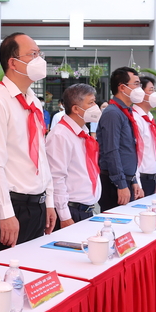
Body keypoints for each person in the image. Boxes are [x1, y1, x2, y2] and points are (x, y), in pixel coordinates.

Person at [0, 33, 57, 255]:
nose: (39, 60)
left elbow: (40, 156)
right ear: (13, 63)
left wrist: (49, 201)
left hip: (37, 205)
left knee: (33, 269)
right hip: (12, 206)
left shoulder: (33, 101)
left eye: (39, 54)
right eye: (33, 54)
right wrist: (5, 212)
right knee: (6, 272)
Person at [45, 84, 102, 228]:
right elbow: (56, 177)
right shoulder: (60, 135)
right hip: (71, 211)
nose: (95, 107)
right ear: (76, 109)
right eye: (91, 103)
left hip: (86, 210)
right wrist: (64, 215)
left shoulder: (83, 132)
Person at [97, 67, 145, 212]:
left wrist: (133, 180)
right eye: (136, 84)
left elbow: (127, 149)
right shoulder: (113, 113)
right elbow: (112, 150)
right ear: (122, 87)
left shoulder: (125, 111)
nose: (139, 88)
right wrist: (121, 184)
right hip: (114, 182)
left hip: (126, 179)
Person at [132, 76, 156, 196]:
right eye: (151, 90)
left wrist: (155, 181)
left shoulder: (149, 117)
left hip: (150, 178)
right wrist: (138, 184)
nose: (155, 94)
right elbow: (133, 153)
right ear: (140, 93)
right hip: (140, 179)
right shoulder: (135, 118)